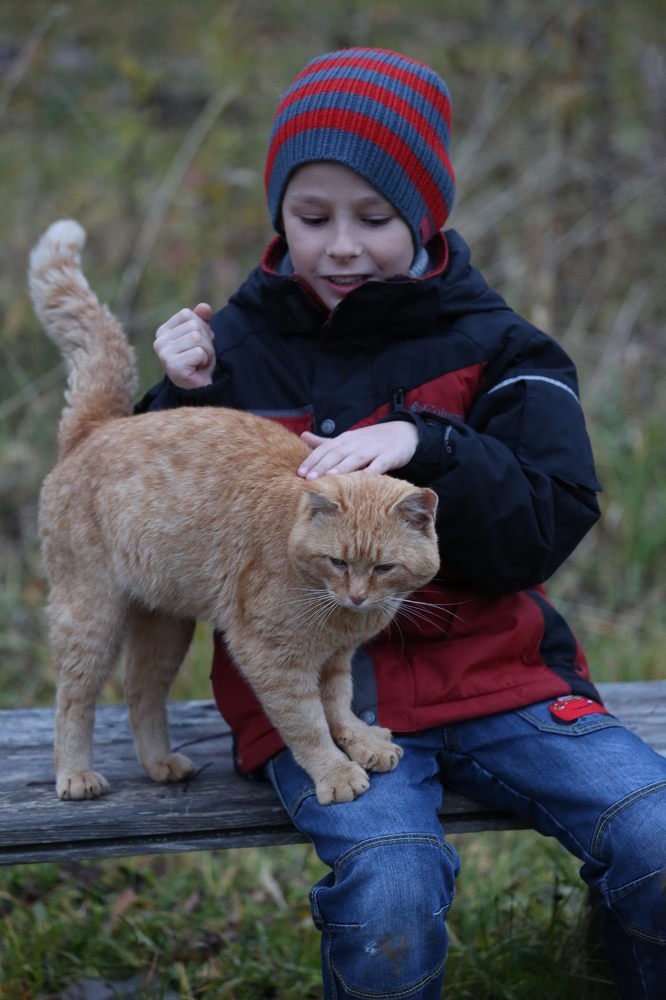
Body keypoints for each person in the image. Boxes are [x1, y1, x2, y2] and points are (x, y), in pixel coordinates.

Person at [135, 48, 666, 999]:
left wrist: (430, 445)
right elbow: (142, 516)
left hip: (501, 680)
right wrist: (172, 396)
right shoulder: (237, 350)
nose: (341, 245)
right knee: (389, 894)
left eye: (374, 219)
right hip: (315, 703)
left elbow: (547, 524)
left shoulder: (502, 346)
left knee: (658, 839)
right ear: (278, 217)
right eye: (311, 217)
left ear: (426, 215)